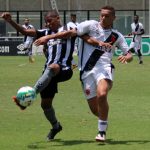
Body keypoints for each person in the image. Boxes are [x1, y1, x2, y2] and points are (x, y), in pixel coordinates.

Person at [1, 10, 110, 141]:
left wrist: (98, 43)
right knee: (45, 104)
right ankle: (56, 126)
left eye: (49, 21)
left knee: (54, 66)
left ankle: (32, 93)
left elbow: (79, 35)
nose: (47, 24)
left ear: (58, 18)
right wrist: (10, 21)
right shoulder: (44, 32)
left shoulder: (69, 28)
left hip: (64, 69)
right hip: (48, 74)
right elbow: (25, 33)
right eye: (46, 22)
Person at [34, 6, 133, 142]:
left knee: (102, 94)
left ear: (113, 18)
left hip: (104, 68)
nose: (103, 18)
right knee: (95, 110)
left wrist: (127, 57)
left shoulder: (117, 36)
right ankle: (104, 120)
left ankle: (101, 132)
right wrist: (48, 37)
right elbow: (71, 33)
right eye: (102, 15)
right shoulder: (90, 25)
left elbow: (128, 54)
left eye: (107, 16)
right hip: (86, 72)